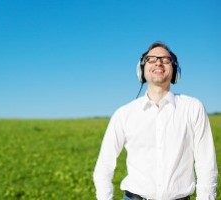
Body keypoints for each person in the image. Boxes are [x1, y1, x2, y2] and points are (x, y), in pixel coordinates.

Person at [93, 42, 218, 200]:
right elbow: (104, 165)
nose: (158, 62)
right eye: (151, 59)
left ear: (174, 71)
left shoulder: (193, 108)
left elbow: (206, 164)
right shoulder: (124, 114)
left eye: (165, 60)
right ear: (141, 70)